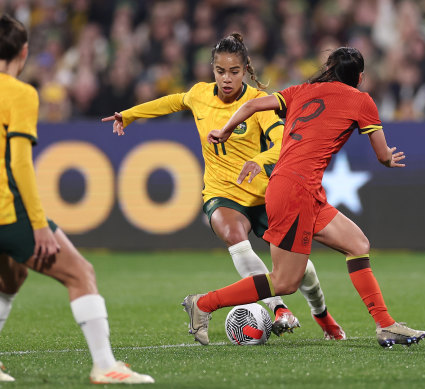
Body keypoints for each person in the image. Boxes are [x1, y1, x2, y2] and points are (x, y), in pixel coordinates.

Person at [0, 14, 153, 384]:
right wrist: (40, 226)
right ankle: (105, 366)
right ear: (23, 53)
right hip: (2, 210)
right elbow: (20, 164)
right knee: (81, 274)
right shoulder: (21, 93)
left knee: (13, 276)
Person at [102, 33, 345, 343]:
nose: (226, 78)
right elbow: (170, 102)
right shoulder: (199, 95)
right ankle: (279, 309)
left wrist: (259, 160)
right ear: (212, 69)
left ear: (245, 70)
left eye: (234, 71)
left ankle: (321, 314)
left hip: (264, 194)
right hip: (222, 193)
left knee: (301, 272)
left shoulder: (258, 102)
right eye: (220, 71)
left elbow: (283, 140)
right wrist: (130, 115)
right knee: (234, 235)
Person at [183, 47, 425, 348]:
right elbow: (381, 155)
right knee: (285, 282)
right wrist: (389, 158)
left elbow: (252, 106)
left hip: (298, 187)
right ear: (360, 77)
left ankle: (385, 325)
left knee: (357, 244)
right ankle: (204, 303)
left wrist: (224, 130)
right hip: (296, 189)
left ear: (328, 68)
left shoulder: (302, 90)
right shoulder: (361, 100)